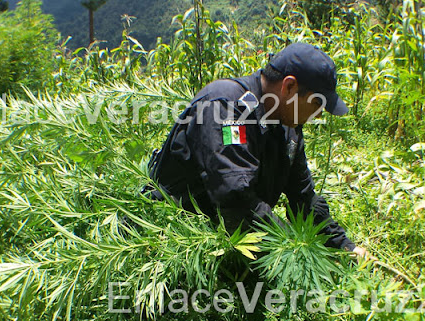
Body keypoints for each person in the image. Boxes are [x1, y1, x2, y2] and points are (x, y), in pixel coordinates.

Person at [147, 43, 369, 258]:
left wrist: (344, 246)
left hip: (233, 242)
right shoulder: (225, 108)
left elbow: (303, 198)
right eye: (317, 104)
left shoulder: (287, 126)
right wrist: (294, 245)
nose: (319, 115)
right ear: (289, 87)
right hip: (175, 239)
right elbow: (236, 201)